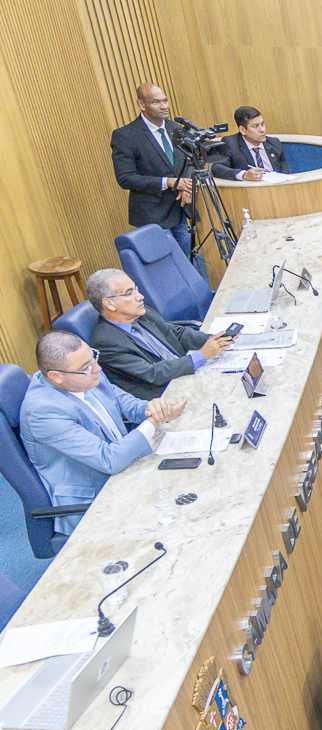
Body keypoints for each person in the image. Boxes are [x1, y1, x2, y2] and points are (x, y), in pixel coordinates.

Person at [20, 332, 186, 535]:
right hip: (94, 501)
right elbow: (109, 460)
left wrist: (156, 408)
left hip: (126, 471)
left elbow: (127, 404)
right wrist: (153, 421)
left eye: (94, 358)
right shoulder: (43, 412)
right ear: (56, 376)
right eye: (86, 367)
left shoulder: (86, 375)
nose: (97, 368)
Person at [87, 269, 232, 400]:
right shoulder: (106, 342)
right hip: (168, 395)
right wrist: (203, 355)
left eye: (136, 289)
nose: (140, 296)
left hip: (186, 373)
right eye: (129, 293)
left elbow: (176, 333)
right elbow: (152, 373)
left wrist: (214, 339)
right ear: (110, 304)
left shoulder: (141, 313)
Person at [110, 83, 204, 280]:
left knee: (187, 264)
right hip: (152, 215)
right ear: (141, 105)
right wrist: (168, 182)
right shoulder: (126, 135)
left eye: (165, 100)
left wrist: (186, 185)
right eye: (156, 102)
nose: (164, 106)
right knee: (166, 271)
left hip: (179, 210)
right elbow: (125, 178)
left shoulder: (175, 128)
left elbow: (189, 162)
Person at [210, 105, 288, 181]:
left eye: (262, 124)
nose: (262, 130)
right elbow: (217, 168)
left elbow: (285, 172)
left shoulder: (274, 143)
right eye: (255, 126)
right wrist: (244, 175)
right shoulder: (231, 143)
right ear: (243, 130)